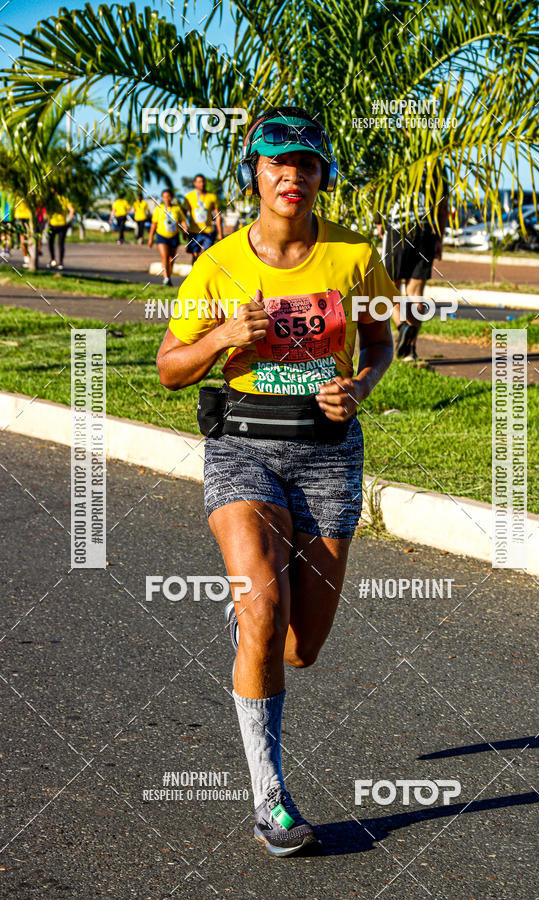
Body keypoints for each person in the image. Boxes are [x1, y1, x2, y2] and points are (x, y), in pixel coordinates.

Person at [156, 106, 394, 856]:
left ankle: (257, 622)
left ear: (324, 174)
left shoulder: (356, 259)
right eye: (276, 161)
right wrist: (222, 338)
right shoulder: (218, 264)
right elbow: (168, 367)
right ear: (254, 172)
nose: (292, 175)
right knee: (262, 604)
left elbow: (383, 344)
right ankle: (271, 803)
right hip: (243, 447)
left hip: (326, 452)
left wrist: (357, 385)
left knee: (301, 647)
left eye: (307, 163)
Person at [377, 174, 448, 360]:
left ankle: (404, 326)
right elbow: (443, 207)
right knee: (415, 294)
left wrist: (378, 220)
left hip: (397, 229)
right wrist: (439, 238)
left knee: (388, 288)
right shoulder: (436, 167)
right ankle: (410, 350)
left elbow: (379, 192)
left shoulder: (396, 157)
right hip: (425, 231)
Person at [148, 188, 187, 286]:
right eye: (165, 197)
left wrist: (185, 230)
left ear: (171, 197)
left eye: (169, 196)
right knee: (164, 257)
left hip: (174, 236)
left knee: (171, 259)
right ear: (162, 198)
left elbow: (182, 221)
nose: (167, 199)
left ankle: (168, 276)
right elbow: (154, 224)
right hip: (162, 236)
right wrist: (150, 238)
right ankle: (166, 278)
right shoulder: (158, 209)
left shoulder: (177, 209)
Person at [183, 173, 223, 261]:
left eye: (203, 181)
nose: (202, 184)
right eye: (199, 182)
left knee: (207, 255)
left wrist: (220, 233)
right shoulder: (189, 197)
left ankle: (205, 273)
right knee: (195, 255)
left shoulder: (212, 197)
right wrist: (184, 228)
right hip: (194, 231)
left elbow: (217, 216)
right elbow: (183, 215)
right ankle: (196, 271)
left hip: (208, 231)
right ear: (195, 184)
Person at [47, 192, 74, 270]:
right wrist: (69, 221)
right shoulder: (64, 199)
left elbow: (47, 212)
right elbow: (72, 210)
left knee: (50, 243)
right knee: (60, 244)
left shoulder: (51, 200)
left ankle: (53, 260)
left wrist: (48, 220)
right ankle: (60, 263)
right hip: (62, 225)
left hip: (53, 224)